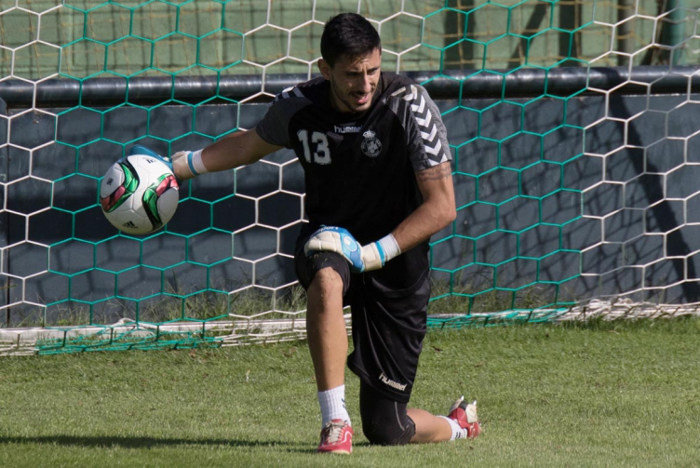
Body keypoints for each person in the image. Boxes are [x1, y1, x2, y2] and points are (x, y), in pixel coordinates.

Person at [143, 12, 480, 453]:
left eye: (372, 71)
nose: (365, 84)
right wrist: (180, 167)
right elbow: (250, 143)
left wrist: (374, 253)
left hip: (396, 260)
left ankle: (456, 426)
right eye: (352, 74)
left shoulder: (409, 105)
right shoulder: (299, 105)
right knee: (326, 274)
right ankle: (334, 423)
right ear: (325, 70)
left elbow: (443, 206)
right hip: (330, 237)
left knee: (387, 428)